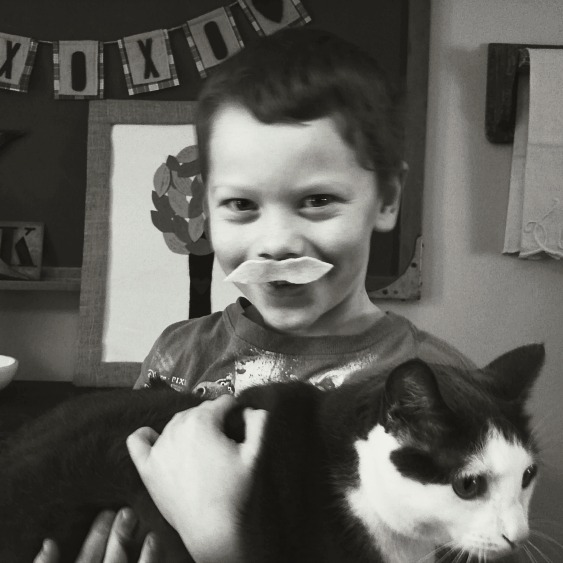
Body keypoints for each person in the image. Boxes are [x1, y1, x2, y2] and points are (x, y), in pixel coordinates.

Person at [36, 26, 474, 562]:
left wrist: (224, 546)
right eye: (242, 206)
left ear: (386, 198)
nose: (276, 244)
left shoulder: (441, 386)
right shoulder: (179, 355)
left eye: (317, 200)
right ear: (206, 207)